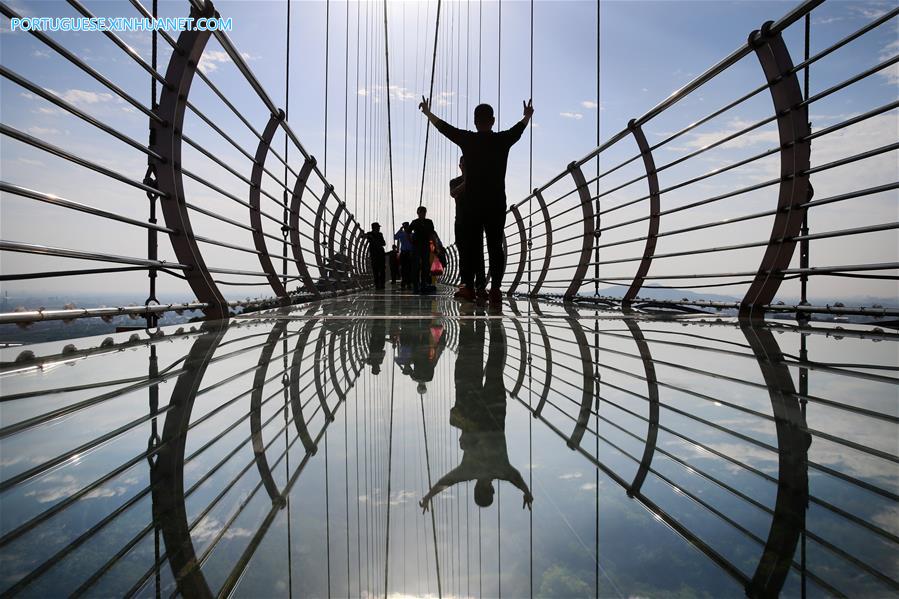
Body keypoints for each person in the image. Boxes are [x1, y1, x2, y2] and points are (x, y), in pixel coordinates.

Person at [419, 96, 534, 307]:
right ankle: (496, 290)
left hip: (472, 205)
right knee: (495, 247)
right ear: (493, 120)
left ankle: (470, 288)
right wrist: (527, 116)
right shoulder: (502, 140)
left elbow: (445, 128)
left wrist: (427, 113)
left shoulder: (468, 139)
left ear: (474, 121)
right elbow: (519, 128)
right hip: (496, 203)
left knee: (472, 247)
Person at [419, 318, 533, 510]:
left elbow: (517, 479)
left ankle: (495, 324)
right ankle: (479, 320)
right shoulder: (467, 472)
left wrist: (527, 492)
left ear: (490, 491)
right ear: (476, 489)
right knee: (476, 359)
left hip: (495, 408)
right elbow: (446, 481)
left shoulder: (501, 470)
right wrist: (429, 496)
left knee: (495, 364)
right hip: (474, 407)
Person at [450, 155, 485, 302]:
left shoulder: (478, 180)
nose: (465, 166)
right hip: (460, 222)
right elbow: (454, 193)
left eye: (468, 163)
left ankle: (480, 288)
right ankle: (467, 287)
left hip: (476, 221)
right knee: (463, 254)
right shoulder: (455, 181)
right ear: (460, 166)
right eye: (463, 164)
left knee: (478, 254)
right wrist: (468, 182)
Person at [408, 206, 437, 294]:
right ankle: (416, 286)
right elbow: (407, 232)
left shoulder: (429, 222)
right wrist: (411, 242)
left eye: (424, 212)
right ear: (418, 213)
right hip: (417, 246)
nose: (423, 214)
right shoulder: (414, 222)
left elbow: (432, 235)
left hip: (425, 246)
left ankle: (423, 284)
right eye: (421, 212)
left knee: (425, 266)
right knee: (416, 266)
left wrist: (435, 246)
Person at [364, 222, 386, 290]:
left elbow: (383, 243)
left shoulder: (380, 234)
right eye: (378, 227)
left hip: (380, 254)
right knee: (376, 270)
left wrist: (373, 239)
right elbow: (363, 236)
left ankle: (381, 284)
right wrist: (367, 236)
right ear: (375, 227)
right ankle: (377, 285)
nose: (379, 228)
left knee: (381, 270)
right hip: (375, 254)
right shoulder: (369, 234)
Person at [394, 222, 414, 289]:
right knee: (409, 268)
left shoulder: (402, 233)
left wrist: (400, 230)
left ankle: (404, 283)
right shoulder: (412, 234)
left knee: (404, 268)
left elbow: (395, 237)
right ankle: (408, 283)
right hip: (409, 253)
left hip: (404, 253)